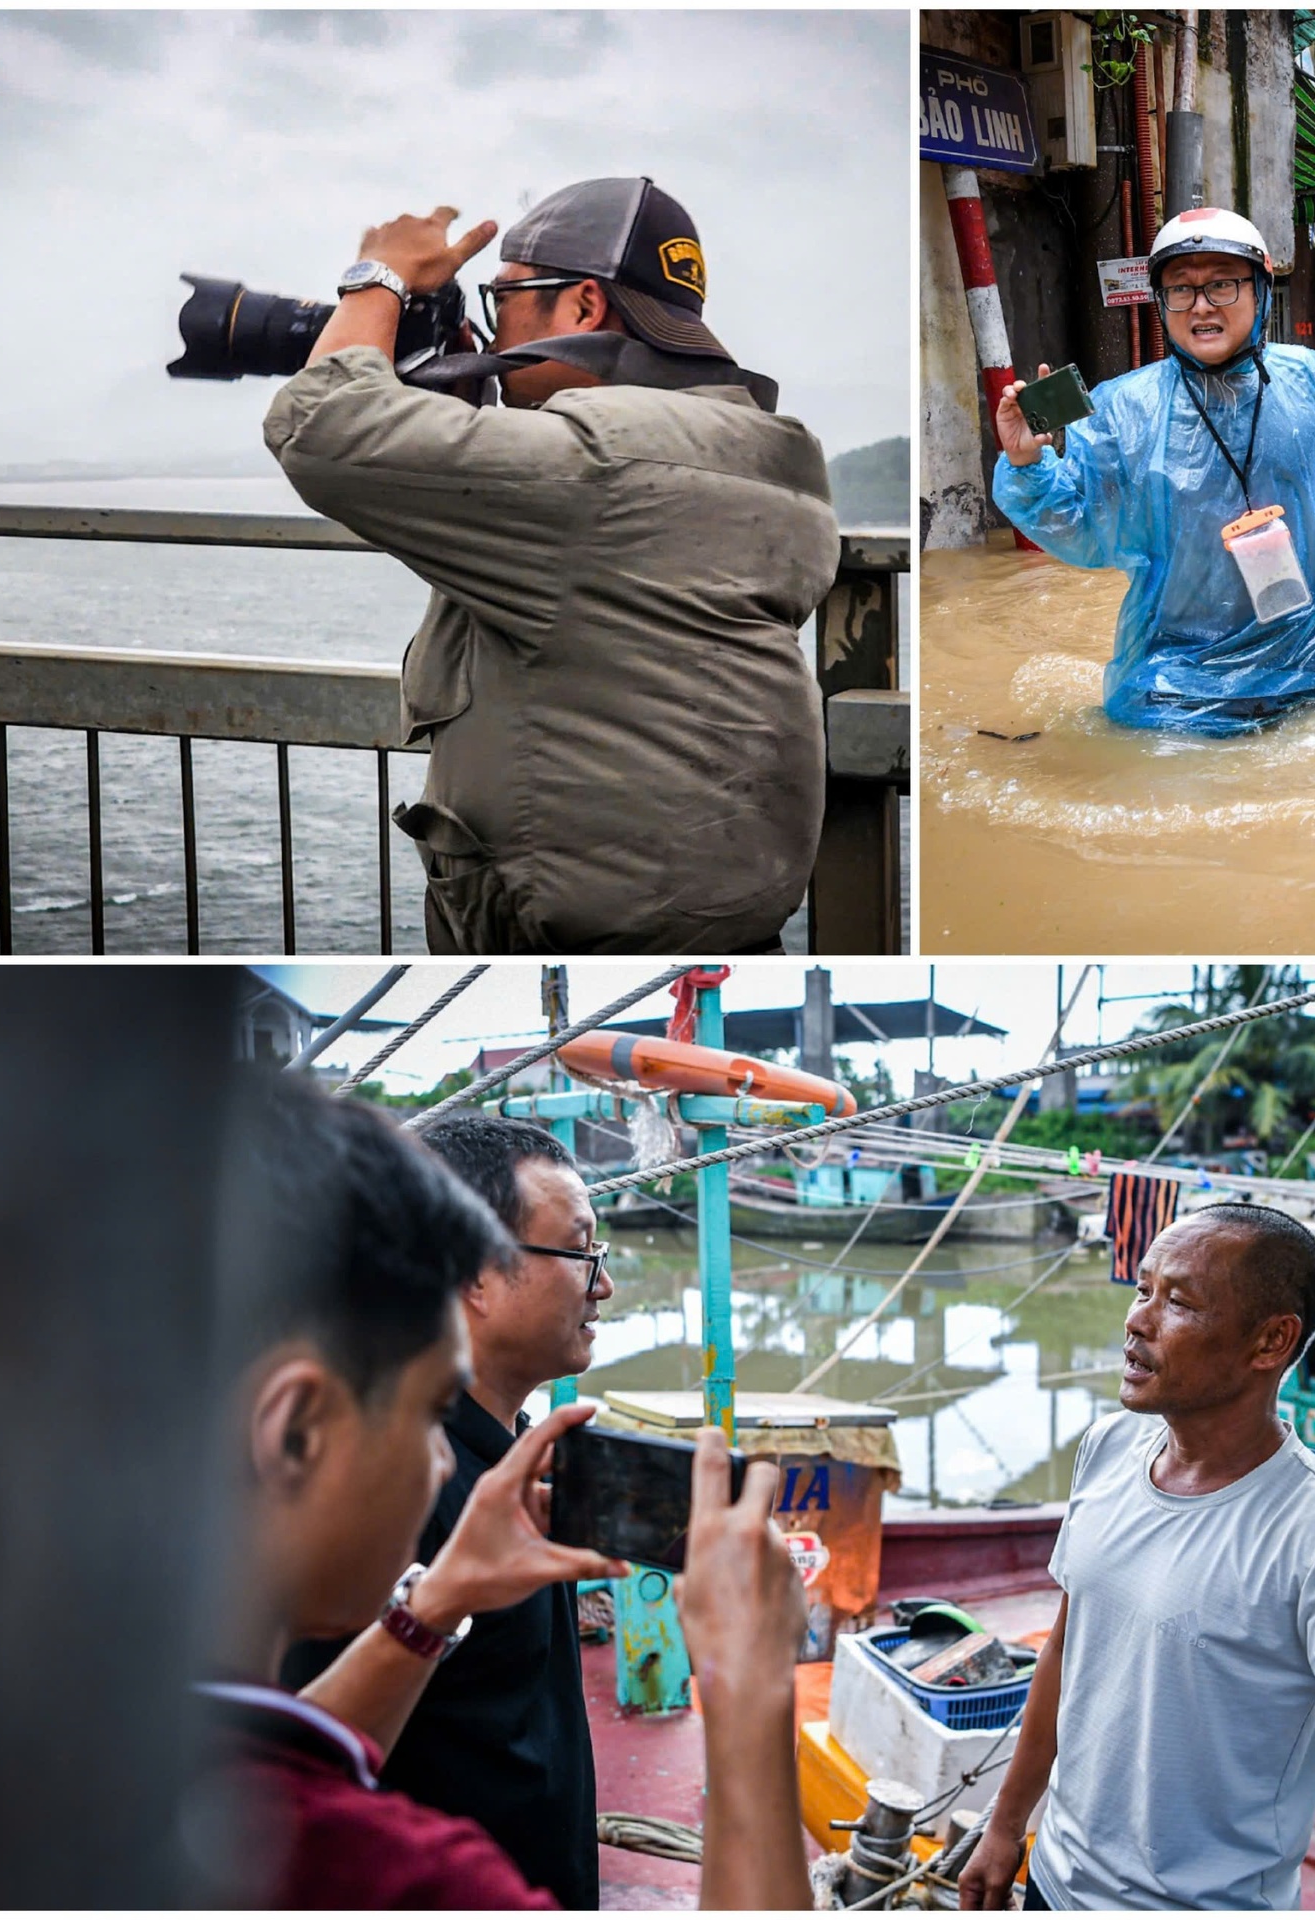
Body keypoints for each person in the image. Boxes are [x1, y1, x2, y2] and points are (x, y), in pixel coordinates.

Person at [197, 1074, 811, 1909]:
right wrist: (750, 1691)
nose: (444, 1464)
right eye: (425, 1411)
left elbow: (299, 1757)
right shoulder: (402, 1875)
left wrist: (433, 1609)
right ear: (296, 1430)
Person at [264, 180, 841, 955]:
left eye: (503, 301)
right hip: (720, 917)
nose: (497, 333)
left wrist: (380, 280)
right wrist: (469, 398)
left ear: (583, 309)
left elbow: (320, 425)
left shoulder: (592, 469)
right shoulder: (769, 453)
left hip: (581, 937)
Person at [957, 1205, 1315, 1912]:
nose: (1137, 1320)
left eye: (1179, 1301)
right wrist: (1007, 1825)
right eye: (1143, 1290)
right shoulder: (1107, 1450)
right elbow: (1069, 1649)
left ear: (1270, 1343)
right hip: (1057, 1884)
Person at [281, 1114, 614, 1905]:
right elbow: (305, 1761)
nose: (602, 1283)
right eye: (581, 1250)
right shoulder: (400, 1489)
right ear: (472, 1273)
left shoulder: (508, 1458)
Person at [991, 207, 1315, 735]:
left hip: (1300, 669)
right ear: (1162, 302)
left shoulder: (1312, 380)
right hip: (1166, 686)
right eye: (1181, 289)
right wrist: (1026, 464)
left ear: (1260, 290)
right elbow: (1080, 530)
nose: (1201, 307)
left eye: (1222, 285)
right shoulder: (1119, 408)